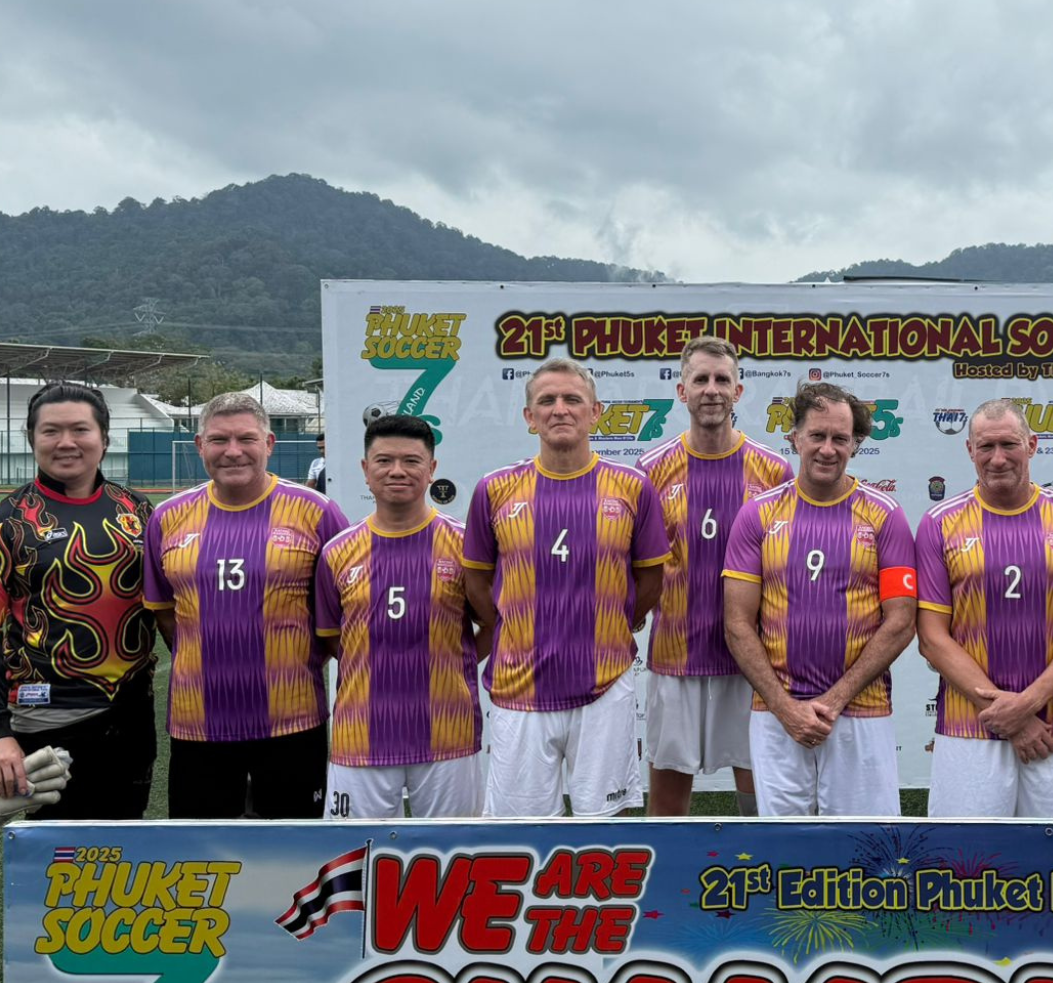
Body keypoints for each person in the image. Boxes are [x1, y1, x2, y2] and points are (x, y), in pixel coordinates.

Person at [462, 359, 668, 817]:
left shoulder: (633, 488)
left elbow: (650, 578)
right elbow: (476, 578)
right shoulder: (494, 490)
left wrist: (620, 619)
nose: (560, 410)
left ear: (595, 412)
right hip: (520, 689)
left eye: (572, 399)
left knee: (604, 830)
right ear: (529, 417)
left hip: (604, 686)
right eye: (547, 401)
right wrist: (509, 626)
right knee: (521, 835)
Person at [144, 392, 349, 817]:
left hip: (293, 721)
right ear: (200, 446)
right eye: (218, 440)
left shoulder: (317, 513)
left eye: (246, 439)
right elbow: (165, 613)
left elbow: (342, 611)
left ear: (269, 444)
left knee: (296, 860)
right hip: (197, 723)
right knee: (202, 861)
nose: (232, 451)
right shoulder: (168, 517)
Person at [0, 383, 159, 818]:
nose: (66, 442)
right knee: (57, 862)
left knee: (125, 852)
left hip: (133, 714)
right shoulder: (1, 525)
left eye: (80, 430)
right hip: (48, 719)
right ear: (31, 439)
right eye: (51, 431)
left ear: (104, 439)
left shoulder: (140, 511)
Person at [723, 382, 918, 816]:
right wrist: (785, 708)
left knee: (865, 852)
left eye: (840, 439)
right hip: (777, 717)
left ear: (855, 444)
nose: (828, 449)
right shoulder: (757, 514)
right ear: (794, 437)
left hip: (860, 714)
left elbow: (901, 621)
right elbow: (737, 623)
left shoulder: (885, 515)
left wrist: (834, 700)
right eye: (817, 436)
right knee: (783, 852)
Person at [915, 399, 1053, 818]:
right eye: (986, 447)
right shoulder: (939, 524)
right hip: (969, 728)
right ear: (969, 450)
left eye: (1009, 444)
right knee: (963, 867)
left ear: (1032, 445)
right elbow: (932, 638)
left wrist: (1025, 706)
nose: (997, 458)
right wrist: (1010, 715)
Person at [638, 337, 792, 817]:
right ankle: (664, 880)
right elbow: (637, 568)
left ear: (739, 391)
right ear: (681, 392)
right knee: (667, 797)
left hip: (751, 660)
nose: (711, 389)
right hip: (674, 654)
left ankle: (762, 871)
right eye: (700, 379)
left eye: (722, 379)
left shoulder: (774, 470)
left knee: (757, 789)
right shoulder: (649, 471)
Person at [314, 415, 484, 818]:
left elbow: (493, 624)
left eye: (411, 461)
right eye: (384, 461)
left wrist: (453, 663)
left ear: (432, 470)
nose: (397, 471)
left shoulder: (464, 546)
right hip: (361, 735)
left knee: (452, 862)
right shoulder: (337, 552)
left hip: (448, 733)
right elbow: (332, 637)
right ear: (365, 470)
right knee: (357, 864)